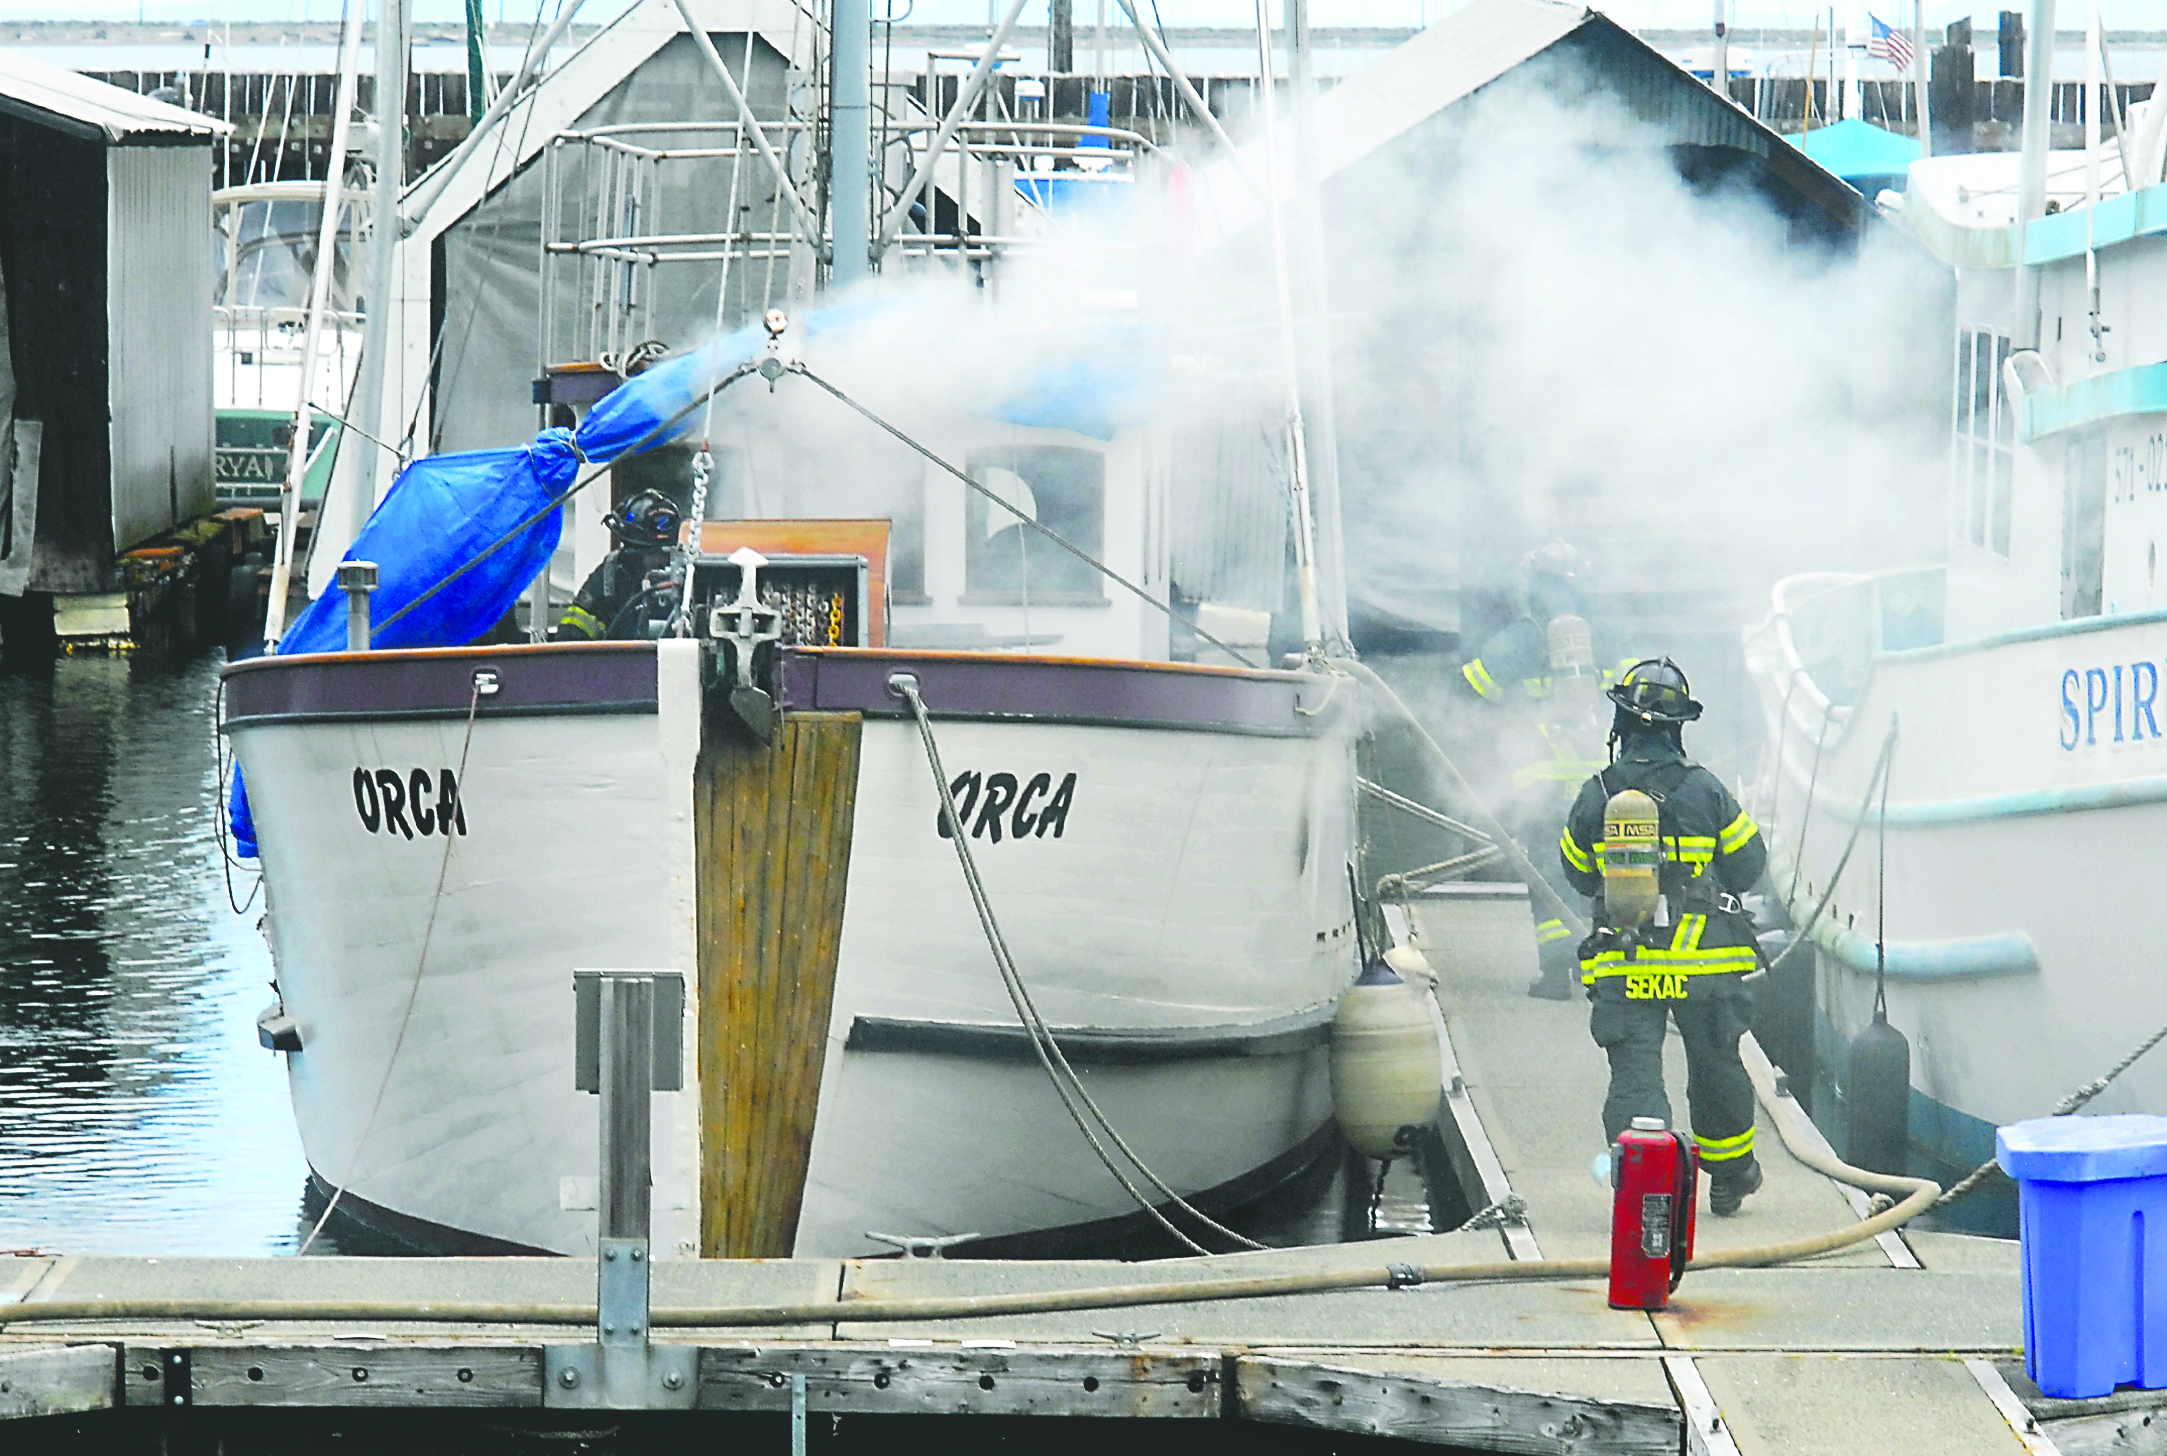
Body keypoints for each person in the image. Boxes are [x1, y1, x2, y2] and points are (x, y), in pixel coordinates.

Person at [1557, 657, 1769, 1216]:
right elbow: (1750, 867)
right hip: (1703, 963)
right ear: (1678, 726)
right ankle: (1727, 1178)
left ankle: (1649, 1186)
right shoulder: (1706, 790)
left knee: (1635, 1073)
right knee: (1716, 1062)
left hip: (1625, 965)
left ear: (1621, 725)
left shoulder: (1597, 792)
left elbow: (1577, 872)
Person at [1456, 542, 1621, 995]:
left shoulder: (1520, 640)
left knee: (1550, 873)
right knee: (1605, 874)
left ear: (1535, 585)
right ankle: (1602, 971)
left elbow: (1470, 689)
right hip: (1603, 779)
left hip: (1542, 780)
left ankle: (1554, 975)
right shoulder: (1605, 638)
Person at [553, 488, 684, 641]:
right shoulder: (613, 575)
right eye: (650, 554)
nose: (659, 562)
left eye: (666, 554)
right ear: (630, 551)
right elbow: (570, 636)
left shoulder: (690, 578)